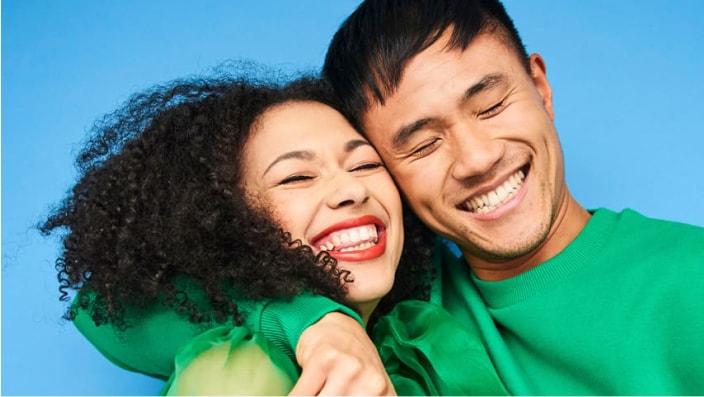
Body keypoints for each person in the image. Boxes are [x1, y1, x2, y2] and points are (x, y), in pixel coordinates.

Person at [315, 0, 704, 395]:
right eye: (424, 145)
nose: (477, 159)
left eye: (491, 106)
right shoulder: (401, 315)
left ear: (541, 88)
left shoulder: (691, 279)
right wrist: (323, 327)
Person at [40, 69, 508, 395]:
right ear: (229, 222)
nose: (351, 188)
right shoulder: (241, 372)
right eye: (297, 177)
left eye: (365, 164)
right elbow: (102, 310)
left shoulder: (429, 327)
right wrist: (315, 322)